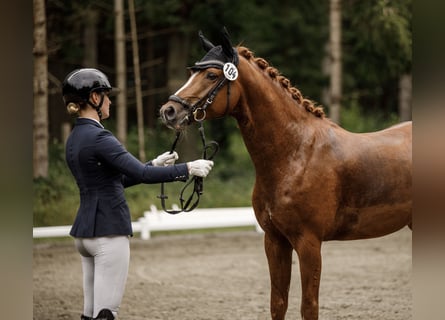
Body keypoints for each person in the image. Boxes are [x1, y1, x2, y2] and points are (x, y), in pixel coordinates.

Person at [62, 68, 214, 320]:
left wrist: (154, 164)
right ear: (94, 99)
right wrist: (187, 168)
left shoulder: (75, 138)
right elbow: (141, 175)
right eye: (106, 96)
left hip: (84, 233)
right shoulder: (100, 137)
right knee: (105, 313)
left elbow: (115, 181)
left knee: (89, 313)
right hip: (108, 232)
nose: (110, 101)